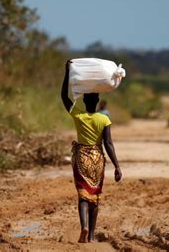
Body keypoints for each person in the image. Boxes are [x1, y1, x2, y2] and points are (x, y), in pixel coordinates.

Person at [61, 59, 122, 243]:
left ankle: (84, 227)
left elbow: (64, 97)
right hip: (97, 158)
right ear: (97, 102)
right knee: (95, 196)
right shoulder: (104, 120)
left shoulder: (78, 115)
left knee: (82, 194)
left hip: (81, 157)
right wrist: (117, 167)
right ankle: (92, 235)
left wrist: (66, 73)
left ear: (85, 100)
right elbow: (108, 144)